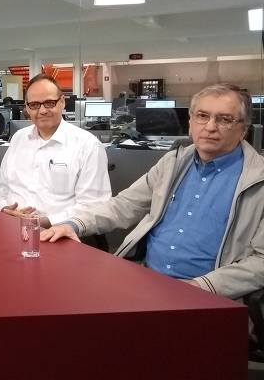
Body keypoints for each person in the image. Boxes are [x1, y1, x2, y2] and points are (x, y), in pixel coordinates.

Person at [42, 84, 264, 301]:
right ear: (191, 122)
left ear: (243, 129)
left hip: (210, 296)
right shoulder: (172, 163)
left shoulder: (257, 180)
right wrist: (73, 224)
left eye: (224, 119)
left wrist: (201, 286)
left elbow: (261, 261)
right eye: (202, 116)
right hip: (146, 281)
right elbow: (124, 205)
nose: (210, 126)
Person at [0, 73, 111, 228]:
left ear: (62, 102)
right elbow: (1, 189)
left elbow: (95, 206)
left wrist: (39, 222)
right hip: (12, 229)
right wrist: (5, 208)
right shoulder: (18, 139)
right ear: (26, 108)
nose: (42, 110)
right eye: (34, 105)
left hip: (61, 234)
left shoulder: (87, 145)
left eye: (49, 103)